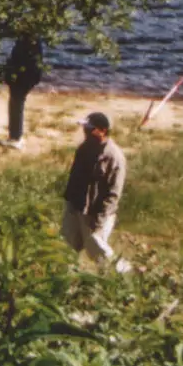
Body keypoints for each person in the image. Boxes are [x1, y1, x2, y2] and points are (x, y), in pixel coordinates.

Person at [61, 112, 130, 273]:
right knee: (65, 248)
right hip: (76, 208)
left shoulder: (115, 157)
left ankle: (124, 273)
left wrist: (99, 221)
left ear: (102, 131)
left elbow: (113, 194)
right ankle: (66, 279)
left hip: (96, 214)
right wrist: (69, 205)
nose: (85, 131)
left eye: (89, 128)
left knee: (97, 251)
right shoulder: (84, 149)